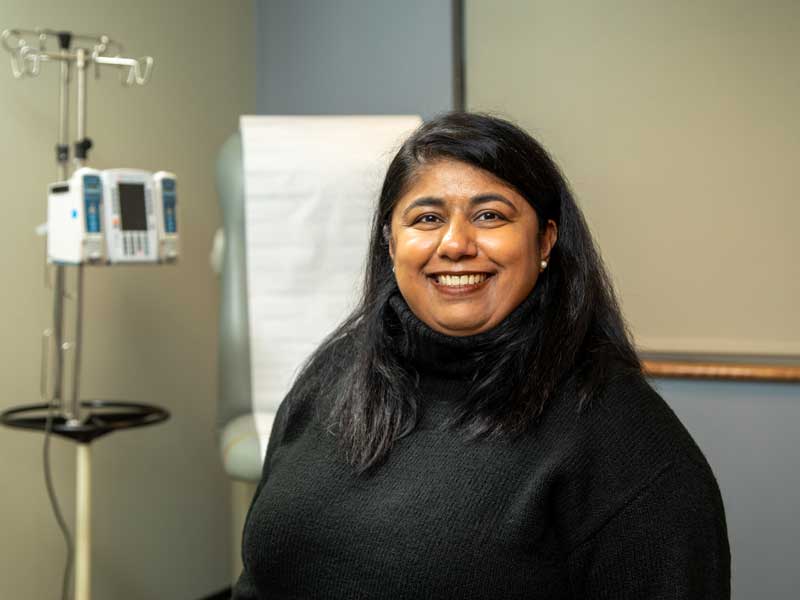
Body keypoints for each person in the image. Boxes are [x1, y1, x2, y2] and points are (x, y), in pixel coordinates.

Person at [232, 112, 731, 599]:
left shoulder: (622, 436)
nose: (455, 244)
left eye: (489, 216)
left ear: (546, 240)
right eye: (427, 218)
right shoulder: (336, 371)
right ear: (391, 242)